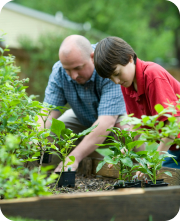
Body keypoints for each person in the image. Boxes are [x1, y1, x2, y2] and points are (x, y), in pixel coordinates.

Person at [38, 35, 127, 172]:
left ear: (92, 57)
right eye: (68, 70)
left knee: (127, 129)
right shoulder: (59, 71)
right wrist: (37, 138)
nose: (73, 75)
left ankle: (138, 170)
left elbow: (106, 122)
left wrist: (74, 157)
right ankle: (91, 167)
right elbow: (47, 113)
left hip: (116, 117)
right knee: (55, 130)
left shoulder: (108, 65)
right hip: (83, 118)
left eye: (78, 68)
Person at [94, 36, 180, 169]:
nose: (116, 81)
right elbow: (136, 126)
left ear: (129, 58)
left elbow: (174, 122)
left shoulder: (152, 75)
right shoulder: (126, 85)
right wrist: (125, 150)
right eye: (110, 78)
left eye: (117, 73)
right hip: (174, 147)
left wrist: (155, 160)